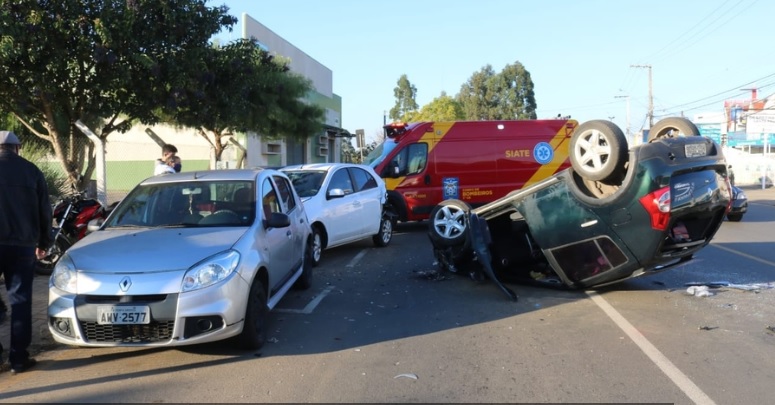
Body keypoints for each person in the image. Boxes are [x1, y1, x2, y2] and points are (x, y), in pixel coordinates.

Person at [0, 130, 52, 374]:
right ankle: (19, 359)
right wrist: (44, 242)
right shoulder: (31, 171)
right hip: (22, 245)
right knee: (20, 300)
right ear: (17, 148)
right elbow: (44, 211)